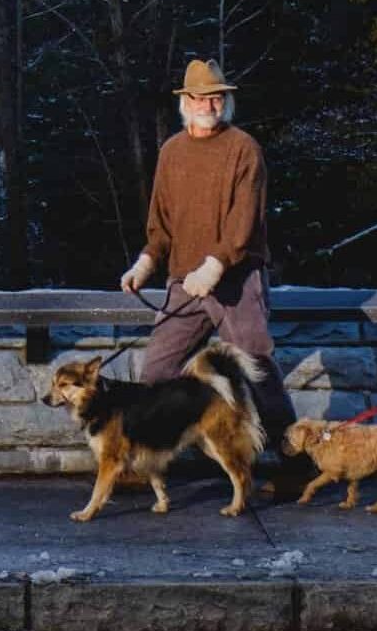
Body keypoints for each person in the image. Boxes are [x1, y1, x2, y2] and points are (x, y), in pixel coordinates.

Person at [118, 59, 301, 460]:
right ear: (186, 102)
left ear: (225, 101)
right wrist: (145, 264)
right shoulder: (171, 152)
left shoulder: (244, 149)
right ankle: (148, 459)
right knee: (157, 372)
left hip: (236, 280)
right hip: (184, 281)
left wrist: (215, 265)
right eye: (200, 97)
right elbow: (161, 221)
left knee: (256, 368)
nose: (209, 104)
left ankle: (293, 460)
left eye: (216, 97)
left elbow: (244, 221)